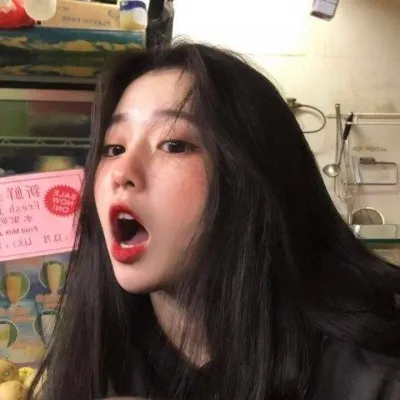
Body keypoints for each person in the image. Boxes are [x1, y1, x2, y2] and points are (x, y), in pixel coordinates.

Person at [29, 42, 400, 400]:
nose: (121, 172)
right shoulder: (102, 356)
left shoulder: (370, 378)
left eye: (174, 145)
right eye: (114, 148)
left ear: (253, 178)